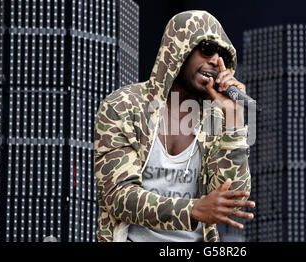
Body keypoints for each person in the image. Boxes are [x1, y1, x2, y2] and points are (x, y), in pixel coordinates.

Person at [94, 10, 255, 242]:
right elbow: (117, 196)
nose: (214, 60)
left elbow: (233, 198)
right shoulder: (124, 106)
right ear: (180, 48)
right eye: (207, 49)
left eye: (222, 56)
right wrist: (192, 210)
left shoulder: (215, 118)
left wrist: (234, 122)